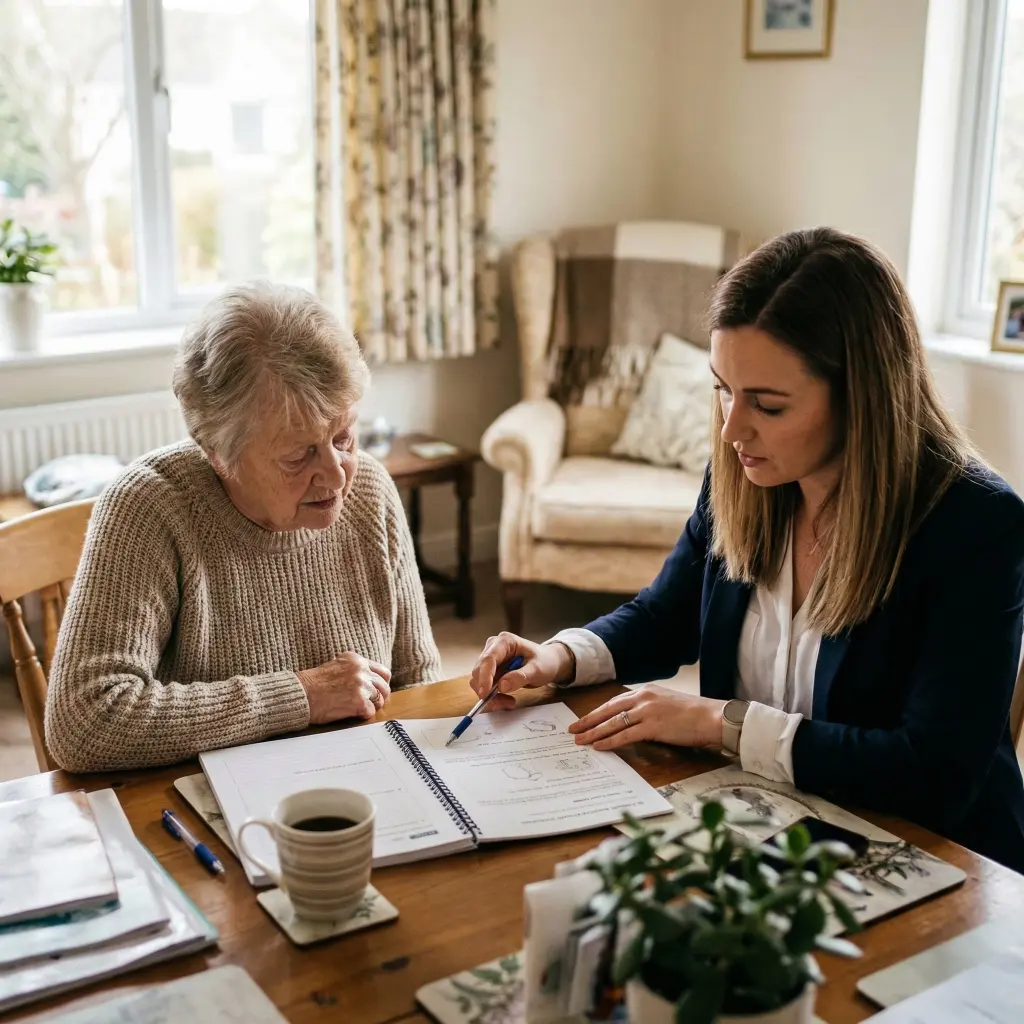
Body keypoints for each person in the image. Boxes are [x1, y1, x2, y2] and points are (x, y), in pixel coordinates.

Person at [470, 228, 1024, 873]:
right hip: (774, 826)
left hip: (942, 857)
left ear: (864, 398)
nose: (732, 429)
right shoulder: (747, 475)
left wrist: (720, 724)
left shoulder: (977, 526)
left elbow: (933, 772)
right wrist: (561, 655)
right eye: (723, 389)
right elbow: (666, 616)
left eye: (767, 403)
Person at [46, 282, 442, 772]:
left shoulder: (371, 491)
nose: (338, 475)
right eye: (299, 456)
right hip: (211, 807)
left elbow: (418, 678)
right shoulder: (150, 507)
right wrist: (302, 696)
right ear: (220, 455)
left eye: (344, 437)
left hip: (361, 786)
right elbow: (85, 723)